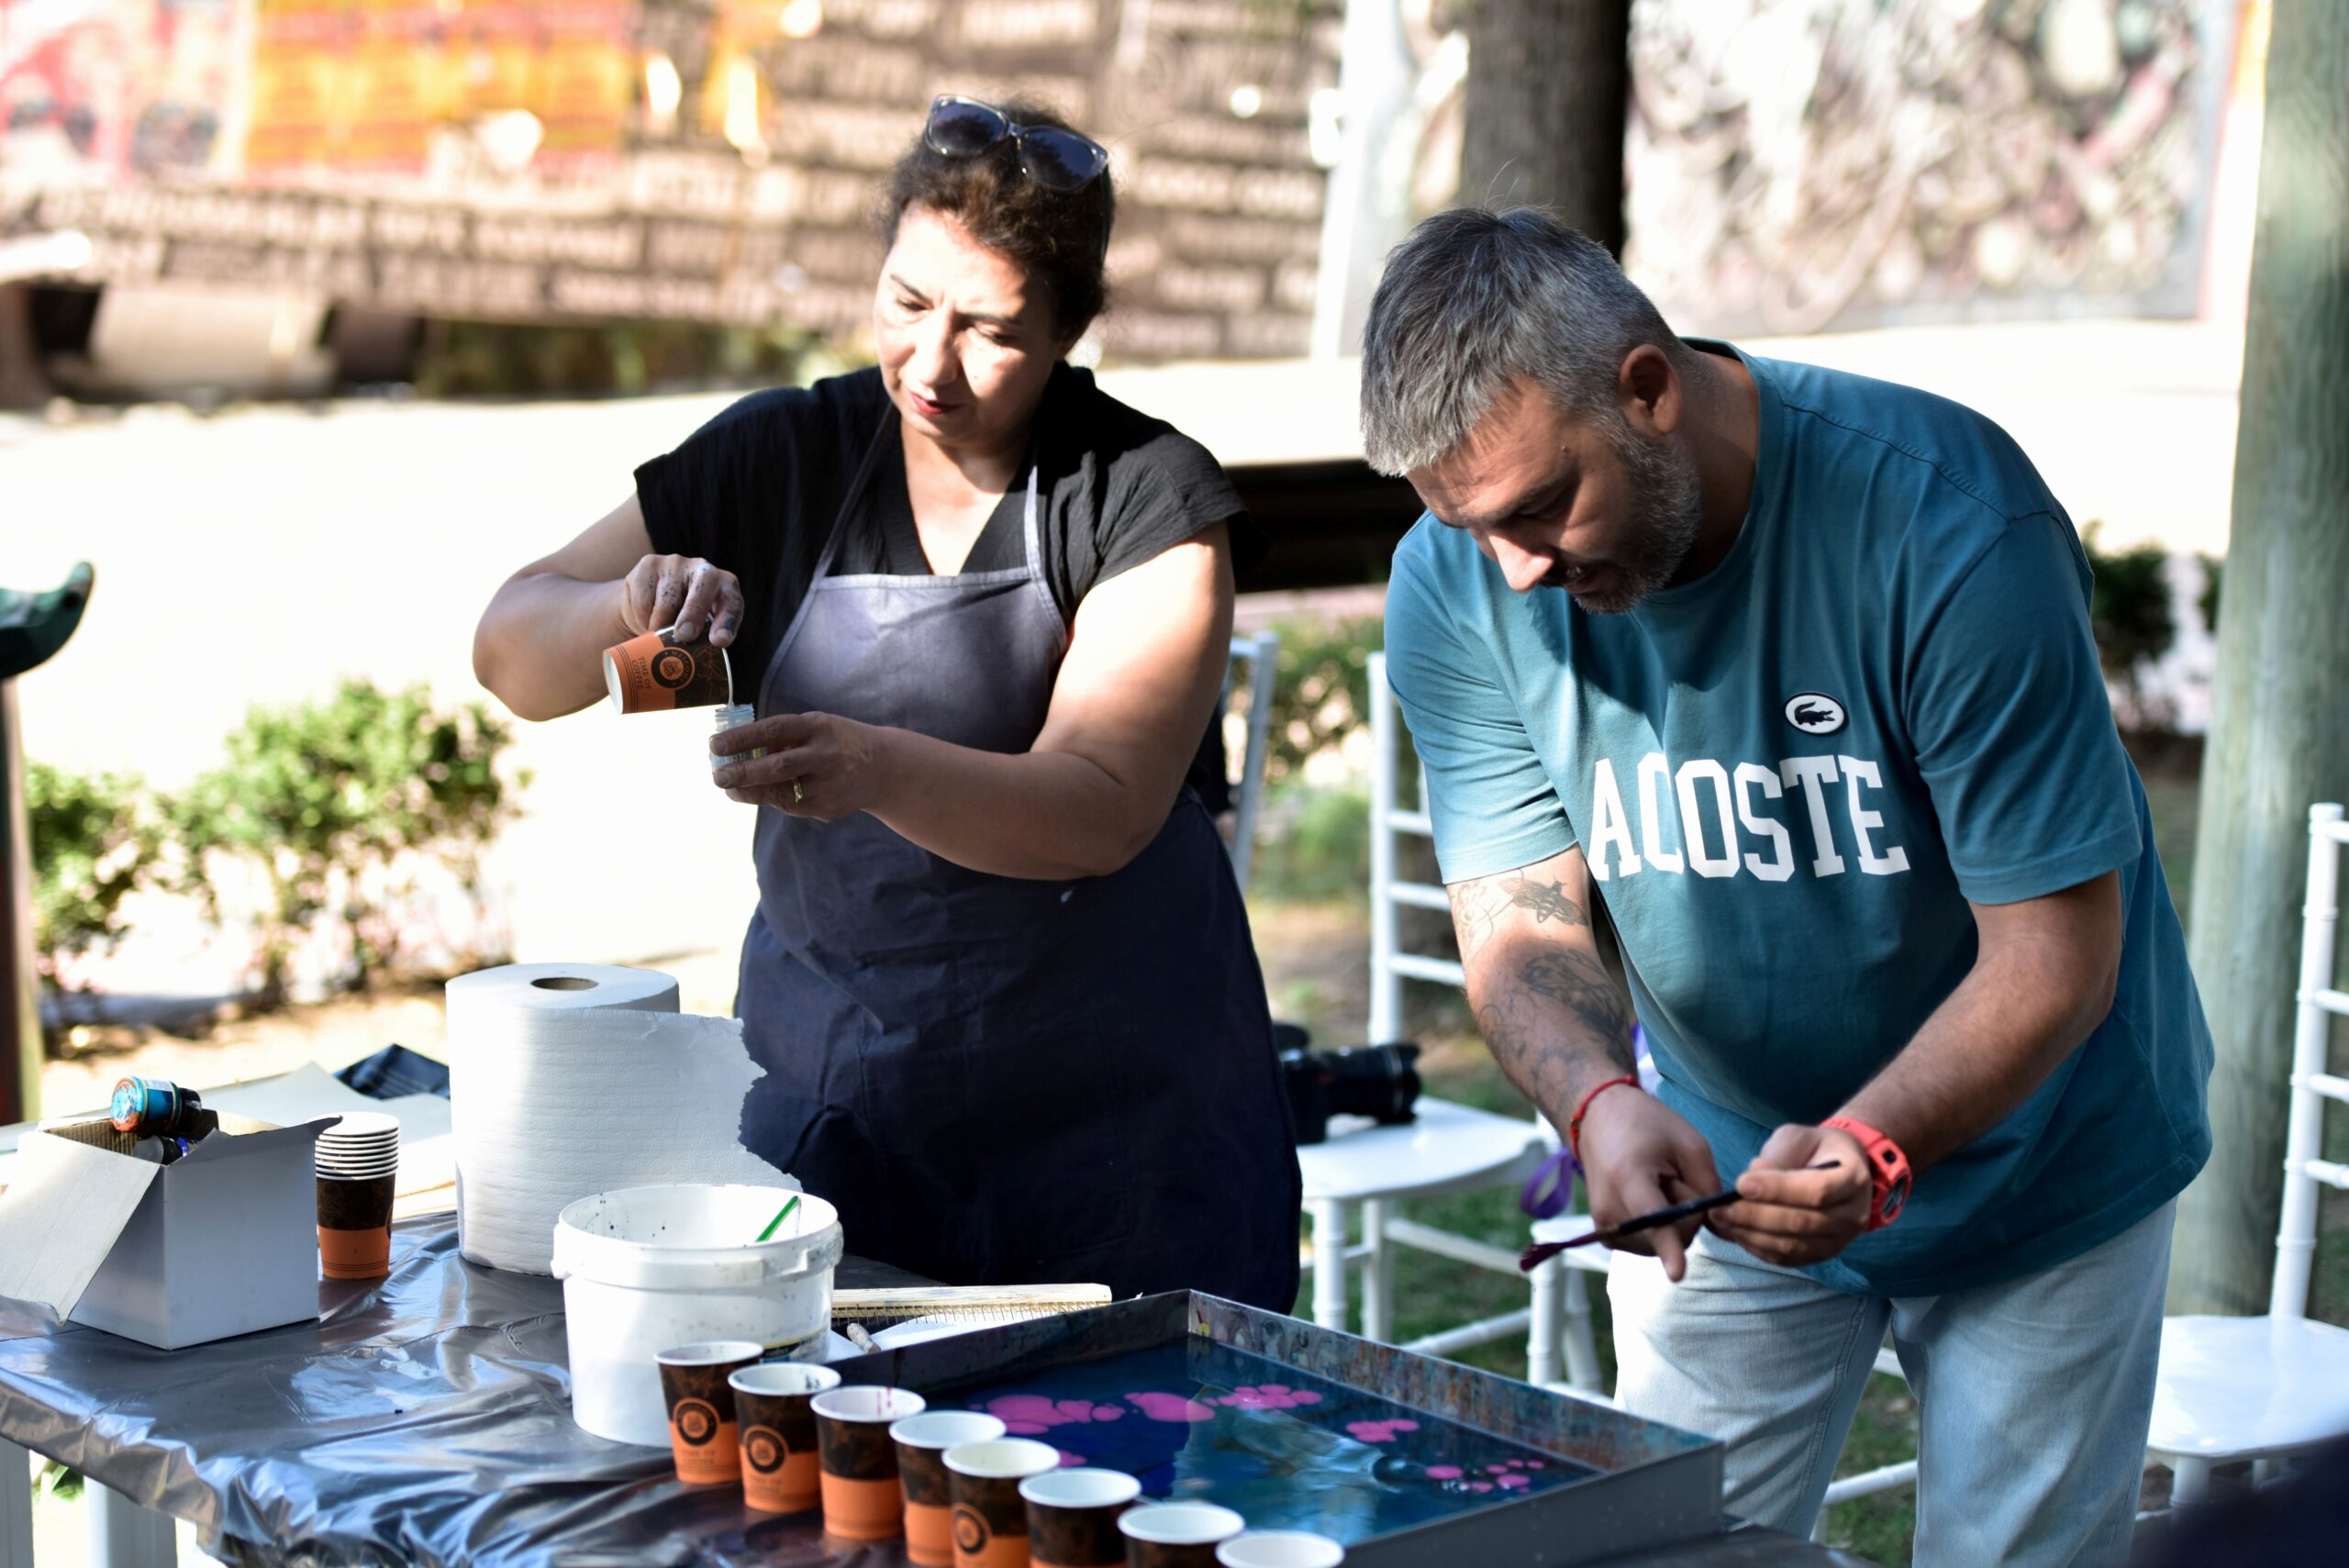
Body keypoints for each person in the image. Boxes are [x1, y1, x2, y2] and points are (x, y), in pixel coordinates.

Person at [1362, 208, 2211, 1567]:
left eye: (1539, 508)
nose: (1519, 570)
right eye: (1470, 527)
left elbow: (2058, 955)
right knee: (1655, 1549)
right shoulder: (1456, 586)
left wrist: (1874, 1143)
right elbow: (1518, 916)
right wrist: (1600, 1099)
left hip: (2045, 1164)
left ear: (1647, 387)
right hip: (1735, 1164)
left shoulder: (1949, 526)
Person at [473, 96, 1299, 1308]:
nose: (931, 362)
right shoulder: (782, 458)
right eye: (907, 303)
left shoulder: (1143, 496)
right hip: (846, 1120)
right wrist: (630, 609)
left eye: (990, 330)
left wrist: (875, 770)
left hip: (1122, 1152)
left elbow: (1101, 804)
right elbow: (511, 655)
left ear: (1073, 328)